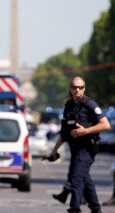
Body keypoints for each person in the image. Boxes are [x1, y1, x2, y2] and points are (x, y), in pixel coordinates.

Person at [48, 76, 110, 213]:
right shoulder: (69, 105)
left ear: (84, 88)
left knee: (76, 178)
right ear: (70, 88)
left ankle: (74, 209)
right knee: (85, 179)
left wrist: (85, 131)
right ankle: (96, 209)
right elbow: (64, 132)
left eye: (80, 87)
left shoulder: (90, 104)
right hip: (75, 148)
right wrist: (54, 150)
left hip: (88, 148)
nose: (77, 90)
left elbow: (106, 124)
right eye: (74, 87)